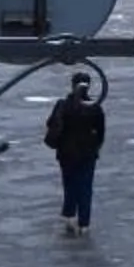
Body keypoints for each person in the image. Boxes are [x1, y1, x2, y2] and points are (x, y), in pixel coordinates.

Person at [44, 70, 105, 237]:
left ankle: (70, 215)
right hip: (88, 154)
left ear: (72, 85)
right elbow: (101, 132)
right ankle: (84, 223)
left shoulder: (63, 105)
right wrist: (95, 147)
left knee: (69, 184)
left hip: (66, 153)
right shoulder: (95, 108)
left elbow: (51, 123)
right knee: (85, 187)